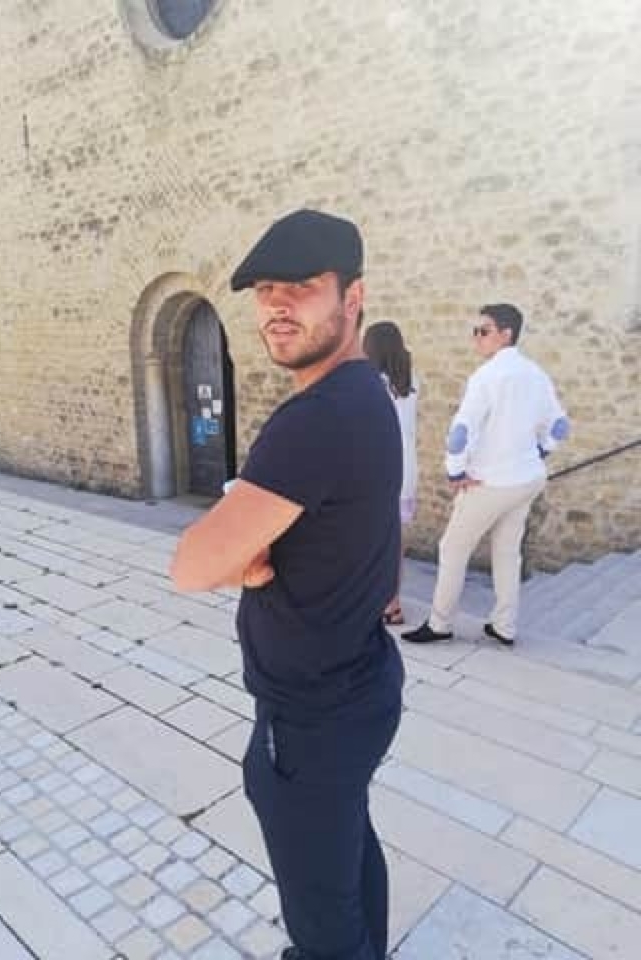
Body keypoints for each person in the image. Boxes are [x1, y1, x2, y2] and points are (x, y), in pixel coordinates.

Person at [171, 209, 404, 960]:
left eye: (301, 287)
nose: (277, 305)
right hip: (356, 686)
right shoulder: (367, 394)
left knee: (322, 920)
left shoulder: (317, 419)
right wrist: (252, 548)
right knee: (348, 853)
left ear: (352, 297)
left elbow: (190, 566)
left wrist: (242, 557)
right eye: (266, 290)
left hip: (311, 718)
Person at [404, 303, 569, 646]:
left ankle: (440, 624)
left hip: (490, 482)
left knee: (452, 548)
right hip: (527, 478)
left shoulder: (487, 377)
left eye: (483, 331)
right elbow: (559, 425)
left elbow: (460, 433)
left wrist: (455, 472)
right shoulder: (536, 374)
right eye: (475, 331)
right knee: (507, 551)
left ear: (506, 334)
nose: (476, 338)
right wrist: (541, 451)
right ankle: (504, 625)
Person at [363, 322, 418, 625]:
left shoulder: (370, 385)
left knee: (368, 542)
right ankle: (392, 603)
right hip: (405, 469)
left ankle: (370, 599)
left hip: (378, 470)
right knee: (393, 543)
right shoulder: (410, 382)